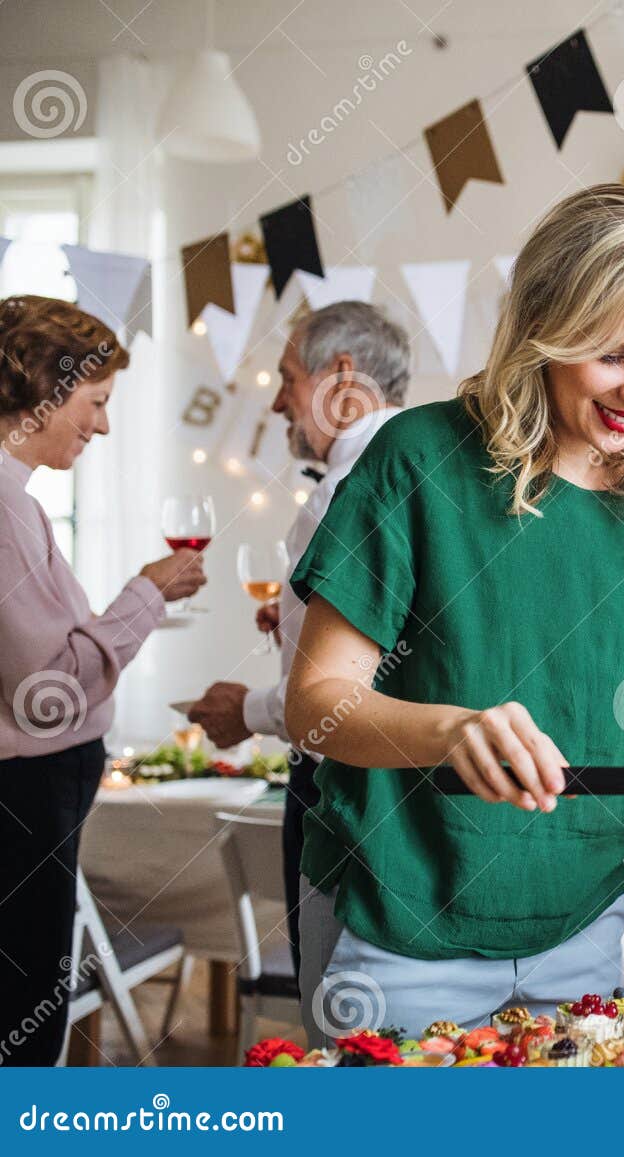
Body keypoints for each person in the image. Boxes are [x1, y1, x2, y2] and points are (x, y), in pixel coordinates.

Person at [283, 184, 624, 1043]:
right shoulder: (417, 460)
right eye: (614, 354)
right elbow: (315, 702)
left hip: (581, 930)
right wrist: (451, 731)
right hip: (402, 931)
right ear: (548, 326)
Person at [0, 296, 206, 1065]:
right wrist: (147, 590)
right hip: (22, 798)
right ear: (43, 391)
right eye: (95, 403)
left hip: (29, 795)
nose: (102, 425)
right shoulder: (4, 509)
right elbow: (49, 690)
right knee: (23, 1018)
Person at [187, 301, 409, 981]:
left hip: (339, 788)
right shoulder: (429, 471)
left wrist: (244, 710)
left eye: (287, 377)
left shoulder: (343, 492)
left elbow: (328, 704)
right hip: (415, 794)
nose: (280, 400)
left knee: (335, 1002)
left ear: (339, 374)